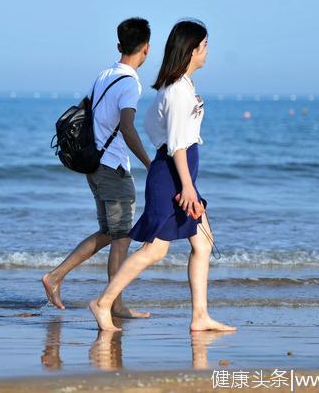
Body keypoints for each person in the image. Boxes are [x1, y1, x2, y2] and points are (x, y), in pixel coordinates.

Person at [89, 19, 237, 332]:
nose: (207, 51)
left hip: (177, 173)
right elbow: (178, 146)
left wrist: (187, 182)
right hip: (172, 176)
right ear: (192, 49)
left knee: (204, 244)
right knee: (155, 249)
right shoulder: (177, 92)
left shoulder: (180, 86)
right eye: (205, 45)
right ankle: (103, 303)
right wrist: (187, 188)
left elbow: (157, 129)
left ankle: (200, 317)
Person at [42, 17, 152, 319]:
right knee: (121, 238)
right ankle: (114, 305)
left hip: (94, 165)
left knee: (110, 233)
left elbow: (82, 110)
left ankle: (56, 276)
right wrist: (150, 163)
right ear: (146, 48)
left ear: (119, 46)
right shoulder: (130, 83)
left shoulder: (104, 75)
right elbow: (128, 128)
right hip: (113, 167)